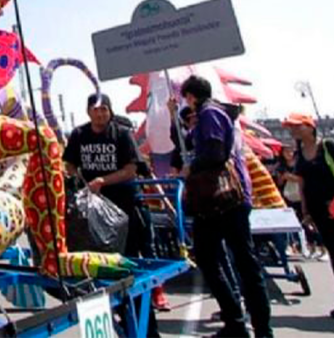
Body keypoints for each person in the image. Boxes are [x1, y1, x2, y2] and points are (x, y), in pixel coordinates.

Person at [180, 75, 271, 338]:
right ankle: (237, 323)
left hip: (224, 200)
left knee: (243, 264)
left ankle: (259, 329)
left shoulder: (209, 113)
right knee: (214, 259)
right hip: (215, 203)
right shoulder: (214, 113)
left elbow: (215, 153)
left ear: (191, 96)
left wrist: (192, 167)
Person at [63, 94, 161, 333]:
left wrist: (102, 181)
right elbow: (69, 164)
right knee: (97, 275)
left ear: (110, 111)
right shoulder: (78, 135)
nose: (100, 114)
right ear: (88, 112)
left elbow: (130, 170)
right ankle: (116, 326)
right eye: (96, 110)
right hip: (92, 218)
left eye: (104, 109)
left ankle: (146, 330)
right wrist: (78, 177)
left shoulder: (122, 134)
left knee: (130, 272)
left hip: (124, 213)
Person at [282, 113, 334, 318]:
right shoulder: (300, 153)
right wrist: (305, 211)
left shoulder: (327, 146)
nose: (293, 130)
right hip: (317, 210)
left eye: (297, 126)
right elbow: (302, 183)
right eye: (291, 127)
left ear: (310, 127)